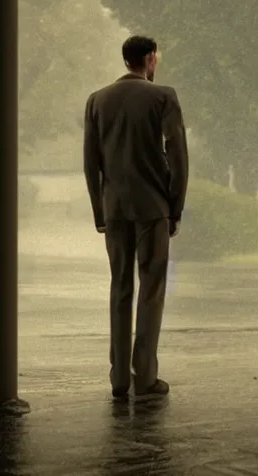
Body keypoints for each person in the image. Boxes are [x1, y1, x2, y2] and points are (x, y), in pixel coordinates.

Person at [83, 35, 188, 399]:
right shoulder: (163, 97)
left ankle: (118, 379)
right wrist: (174, 207)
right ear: (148, 60)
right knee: (152, 288)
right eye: (156, 56)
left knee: (120, 287)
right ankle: (145, 376)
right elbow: (177, 156)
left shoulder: (97, 100)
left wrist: (100, 211)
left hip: (115, 208)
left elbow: (91, 163)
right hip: (153, 207)